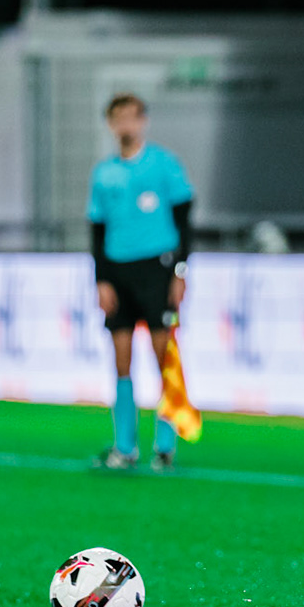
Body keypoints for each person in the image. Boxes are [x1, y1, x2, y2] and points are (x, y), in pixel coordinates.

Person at [87, 93, 196, 470]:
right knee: (121, 357)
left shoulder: (164, 165)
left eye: (132, 117)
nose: (126, 125)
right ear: (111, 124)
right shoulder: (104, 173)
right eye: (119, 118)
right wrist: (101, 279)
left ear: (143, 121)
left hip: (157, 267)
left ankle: (165, 444)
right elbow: (97, 231)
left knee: (162, 354)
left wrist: (180, 271)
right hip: (119, 270)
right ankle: (125, 446)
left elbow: (184, 221)